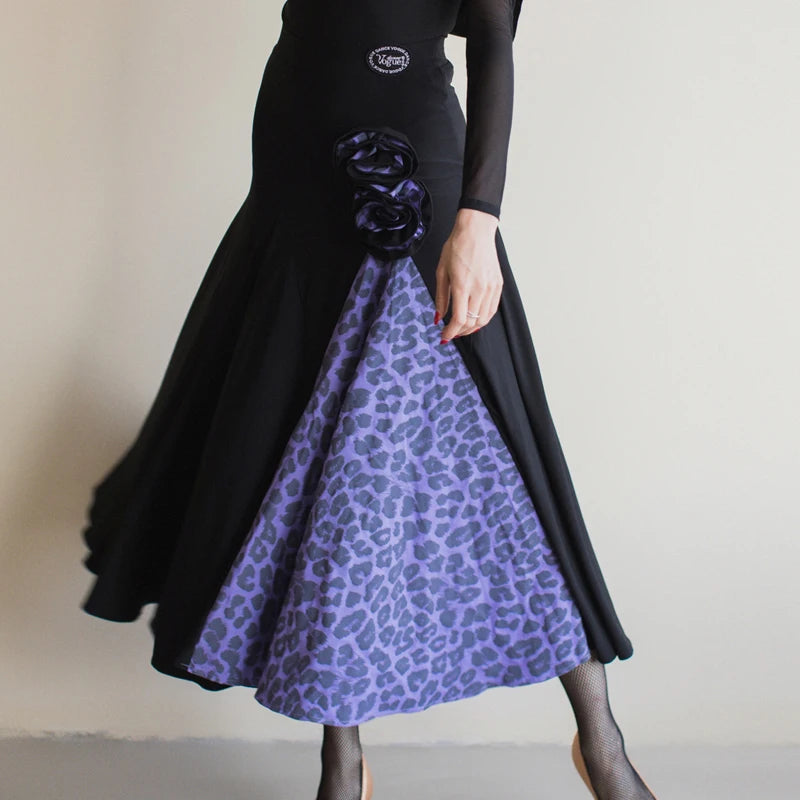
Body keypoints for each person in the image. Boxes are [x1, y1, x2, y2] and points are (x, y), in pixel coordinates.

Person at [79, 1, 658, 798]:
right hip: (294, 166)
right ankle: (342, 758)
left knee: (503, 458)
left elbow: (492, 42)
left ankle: (601, 740)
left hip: (422, 161)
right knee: (322, 463)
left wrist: (479, 219)